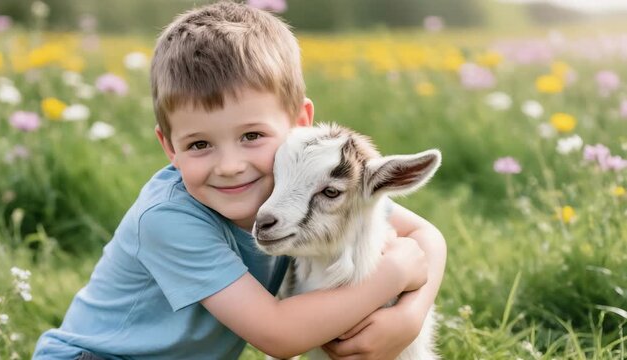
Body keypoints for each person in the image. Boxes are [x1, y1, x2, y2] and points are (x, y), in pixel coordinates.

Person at [33, 2, 446, 359]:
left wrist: (408, 318)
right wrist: (391, 277)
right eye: (199, 144)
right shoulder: (168, 219)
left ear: (300, 124)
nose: (230, 166)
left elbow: (427, 237)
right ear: (169, 147)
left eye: (251, 136)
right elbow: (279, 335)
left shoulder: (298, 190)